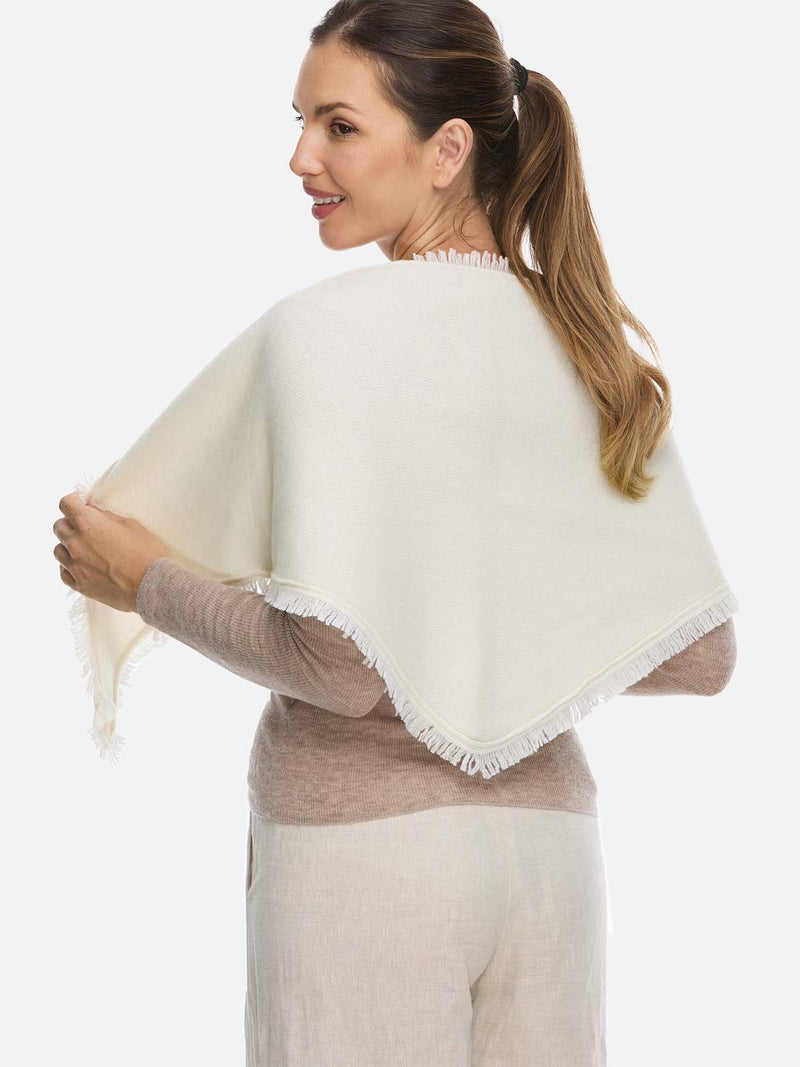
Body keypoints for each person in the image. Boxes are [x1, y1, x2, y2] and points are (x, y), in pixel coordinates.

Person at [54, 2, 737, 1063]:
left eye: (338, 125)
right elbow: (699, 653)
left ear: (447, 149)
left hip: (360, 861)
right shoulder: (583, 341)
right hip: (549, 857)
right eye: (298, 122)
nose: (300, 156)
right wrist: (484, 641)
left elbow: (339, 669)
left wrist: (143, 579)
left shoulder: (325, 334)